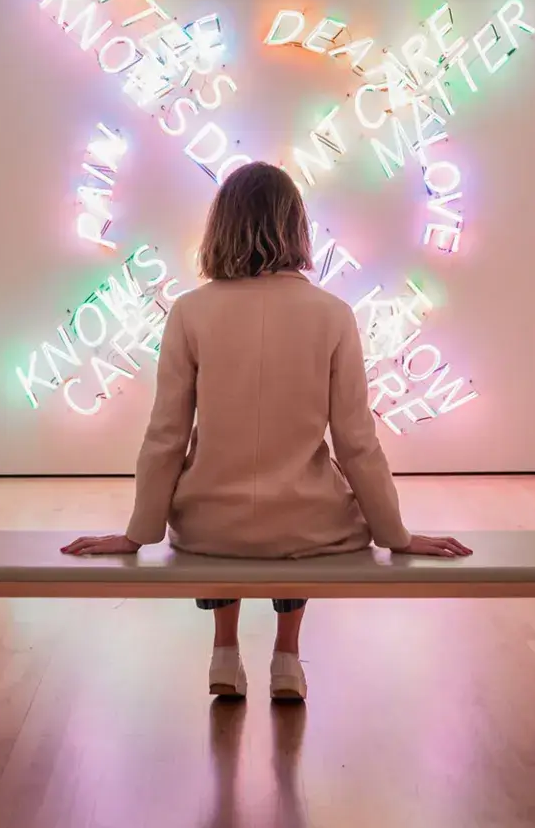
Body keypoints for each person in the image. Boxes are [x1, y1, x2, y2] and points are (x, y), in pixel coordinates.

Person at [62, 162, 471, 702]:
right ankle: (285, 659)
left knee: (220, 503)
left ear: (221, 226)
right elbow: (355, 442)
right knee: (308, 507)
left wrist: (138, 534)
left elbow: (166, 436)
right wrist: (396, 536)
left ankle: (225, 654)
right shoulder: (333, 314)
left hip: (211, 527)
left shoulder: (189, 312)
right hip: (307, 528)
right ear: (296, 226)